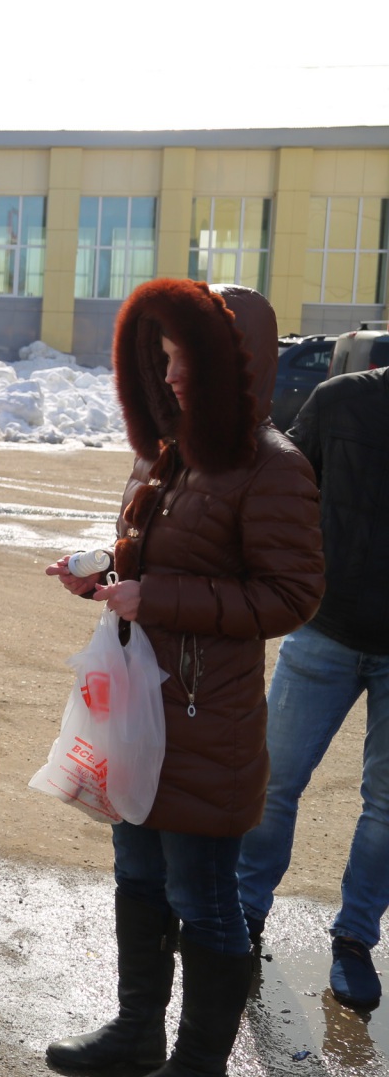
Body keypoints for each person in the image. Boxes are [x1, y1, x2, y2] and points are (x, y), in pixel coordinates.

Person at [45, 279, 323, 1077]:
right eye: (161, 361)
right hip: (139, 709)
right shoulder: (165, 456)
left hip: (206, 724)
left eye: (184, 361)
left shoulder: (273, 466)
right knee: (136, 871)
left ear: (235, 366)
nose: (169, 378)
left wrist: (156, 596)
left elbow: (292, 596)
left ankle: (199, 1062)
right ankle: (137, 1033)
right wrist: (100, 572)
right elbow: (156, 559)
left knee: (204, 898)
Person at [237, 362, 387, 1014]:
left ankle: (354, 939)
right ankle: (244, 914)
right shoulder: (343, 399)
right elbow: (283, 488)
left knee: (387, 805)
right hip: (324, 629)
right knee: (275, 781)